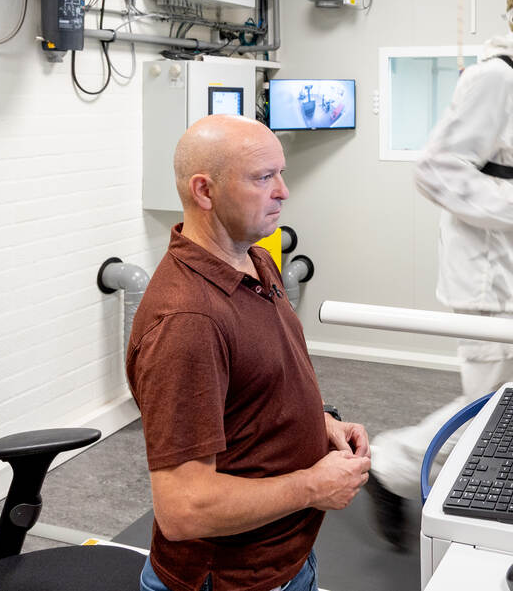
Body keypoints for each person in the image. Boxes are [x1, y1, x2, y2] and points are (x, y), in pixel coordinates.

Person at [366, 0, 513, 550]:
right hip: (491, 278)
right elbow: (438, 170)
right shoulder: (495, 78)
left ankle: (467, 480)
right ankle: (391, 465)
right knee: (494, 408)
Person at [126, 114, 371, 591]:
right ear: (204, 191)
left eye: (280, 173)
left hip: (285, 560)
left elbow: (255, 386)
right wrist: (312, 486)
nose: (283, 190)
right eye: (263, 178)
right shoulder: (188, 322)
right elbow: (184, 508)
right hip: (231, 580)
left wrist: (317, 422)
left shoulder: (254, 259)